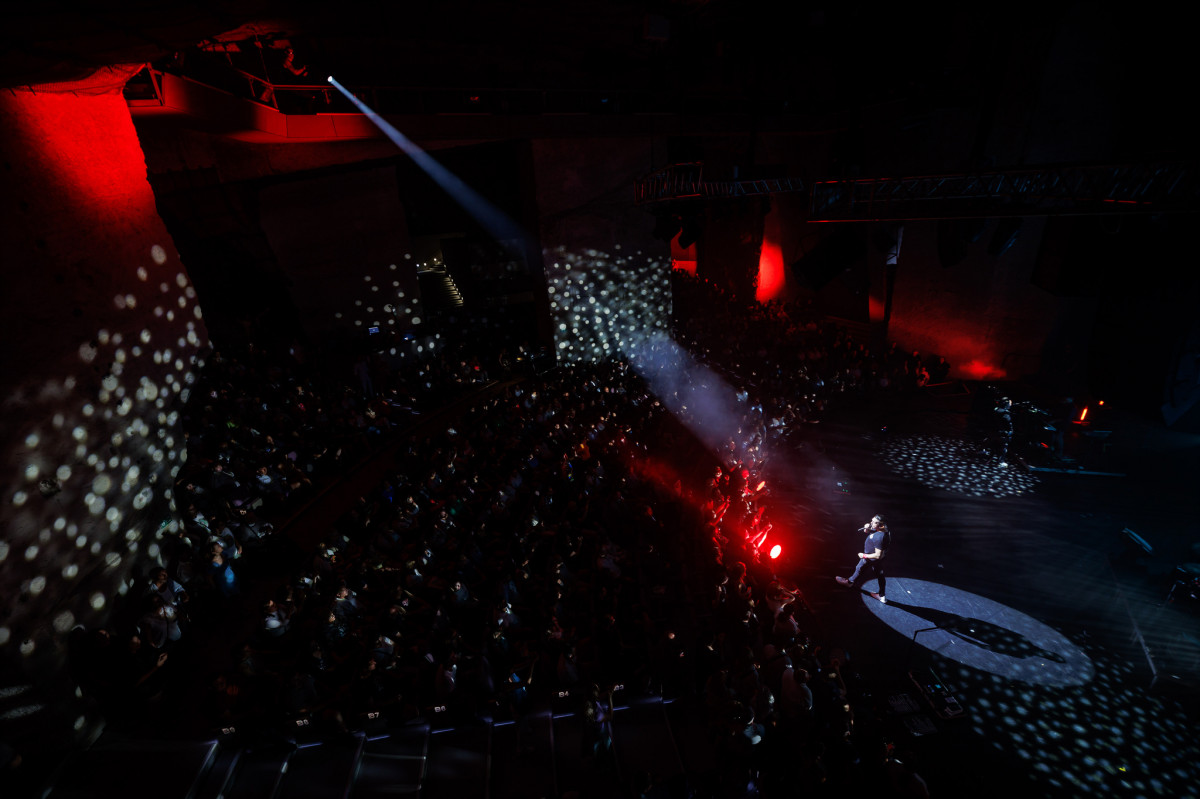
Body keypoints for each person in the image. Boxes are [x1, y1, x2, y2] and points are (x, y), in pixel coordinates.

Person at [836, 515, 890, 603]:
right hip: (877, 560)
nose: (871, 523)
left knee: (859, 568)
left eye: (874, 522)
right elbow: (869, 531)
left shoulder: (879, 537)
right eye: (871, 521)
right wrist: (867, 528)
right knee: (879, 575)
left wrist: (864, 555)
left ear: (881, 525)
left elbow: (878, 555)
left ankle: (849, 583)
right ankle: (882, 596)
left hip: (871, 558)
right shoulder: (882, 531)